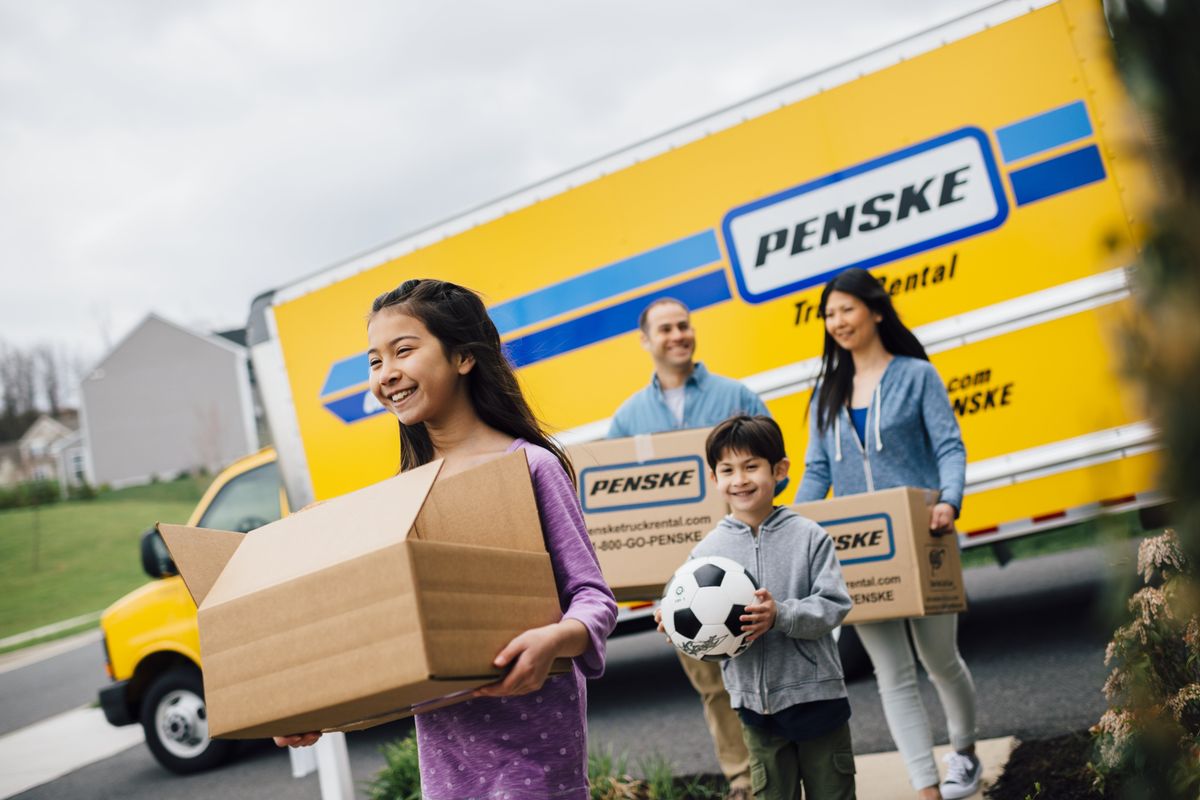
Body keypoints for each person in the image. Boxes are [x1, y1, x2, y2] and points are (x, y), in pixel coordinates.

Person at [275, 279, 618, 800]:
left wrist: (554, 640)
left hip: (536, 756)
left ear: (463, 356)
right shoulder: (401, 498)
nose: (386, 373)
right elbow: (377, 634)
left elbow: (592, 598)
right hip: (447, 769)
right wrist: (312, 707)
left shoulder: (530, 466)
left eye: (403, 351)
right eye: (374, 361)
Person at [795, 267, 981, 800]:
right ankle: (925, 786)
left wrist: (948, 501)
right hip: (862, 551)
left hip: (924, 539)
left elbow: (949, 446)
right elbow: (817, 472)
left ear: (876, 311)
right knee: (891, 673)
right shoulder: (826, 394)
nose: (837, 321)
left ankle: (964, 753)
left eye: (846, 309)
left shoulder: (917, 376)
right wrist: (790, 523)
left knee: (940, 660)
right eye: (829, 314)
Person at [608, 297, 769, 800]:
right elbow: (615, 502)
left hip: (749, 563)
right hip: (681, 584)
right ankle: (742, 778)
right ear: (646, 341)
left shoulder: (735, 395)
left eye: (684, 325)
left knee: (769, 672)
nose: (678, 334)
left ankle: (781, 769)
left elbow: (773, 470)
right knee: (712, 685)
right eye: (666, 329)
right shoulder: (629, 418)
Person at [661, 415, 857, 800]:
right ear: (714, 478)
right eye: (727, 470)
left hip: (818, 699)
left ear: (779, 470)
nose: (740, 480)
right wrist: (671, 622)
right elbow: (686, 609)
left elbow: (834, 604)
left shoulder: (809, 537)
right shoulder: (706, 553)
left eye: (751, 466)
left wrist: (780, 615)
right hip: (755, 709)